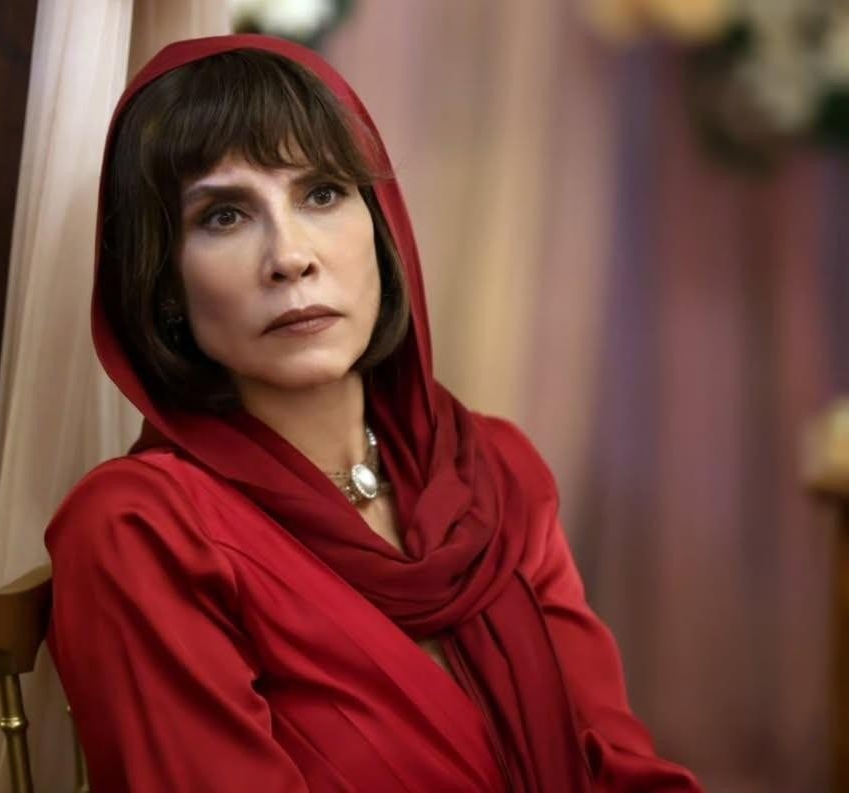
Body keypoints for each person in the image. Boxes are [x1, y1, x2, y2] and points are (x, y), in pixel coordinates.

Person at [45, 34, 704, 792]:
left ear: (382, 226)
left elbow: (616, 762)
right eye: (224, 215)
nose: (290, 256)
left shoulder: (492, 472)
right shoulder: (140, 529)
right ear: (163, 283)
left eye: (322, 193)